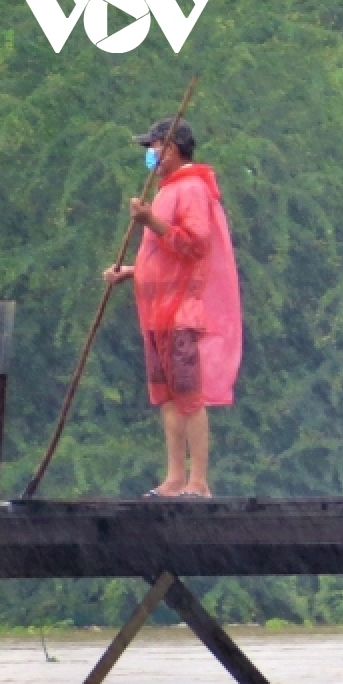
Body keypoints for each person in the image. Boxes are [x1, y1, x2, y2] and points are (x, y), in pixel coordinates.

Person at [104, 118, 242, 498]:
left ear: (171, 148)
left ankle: (198, 481)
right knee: (165, 396)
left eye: (153, 146)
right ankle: (174, 477)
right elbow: (164, 256)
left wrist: (150, 221)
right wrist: (131, 272)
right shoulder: (167, 190)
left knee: (188, 396)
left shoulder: (193, 188)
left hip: (181, 312)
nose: (150, 153)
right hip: (156, 311)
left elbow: (195, 244)